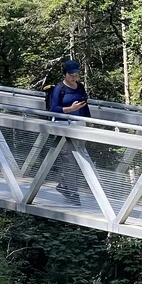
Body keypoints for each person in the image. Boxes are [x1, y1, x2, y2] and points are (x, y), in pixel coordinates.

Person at [47, 60, 90, 205]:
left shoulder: (80, 87)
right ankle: (73, 193)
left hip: (79, 126)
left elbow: (85, 105)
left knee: (79, 159)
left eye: (76, 74)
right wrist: (69, 109)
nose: (74, 77)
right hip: (63, 126)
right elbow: (53, 109)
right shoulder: (59, 89)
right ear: (64, 74)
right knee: (69, 160)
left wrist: (88, 122)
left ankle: (64, 185)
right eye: (71, 74)